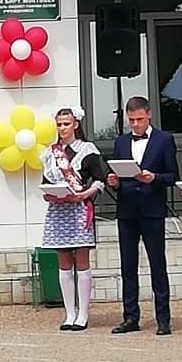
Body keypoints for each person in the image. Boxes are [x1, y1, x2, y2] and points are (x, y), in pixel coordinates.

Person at [106, 96, 179, 336]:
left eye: (139, 119)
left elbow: (172, 175)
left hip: (152, 208)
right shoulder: (120, 142)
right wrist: (114, 181)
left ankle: (163, 319)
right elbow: (115, 172)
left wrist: (154, 178)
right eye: (131, 120)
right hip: (126, 209)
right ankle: (130, 317)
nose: (135, 124)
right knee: (128, 265)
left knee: (157, 264)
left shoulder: (164, 140)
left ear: (149, 115)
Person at [41, 106, 110, 332]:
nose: (62, 128)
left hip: (80, 210)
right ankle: (69, 313)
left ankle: (83, 314)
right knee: (63, 262)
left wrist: (86, 194)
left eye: (66, 124)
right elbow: (47, 182)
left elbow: (101, 179)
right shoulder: (51, 153)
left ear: (76, 125)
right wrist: (48, 194)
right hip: (58, 211)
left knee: (81, 260)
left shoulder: (87, 150)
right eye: (59, 124)